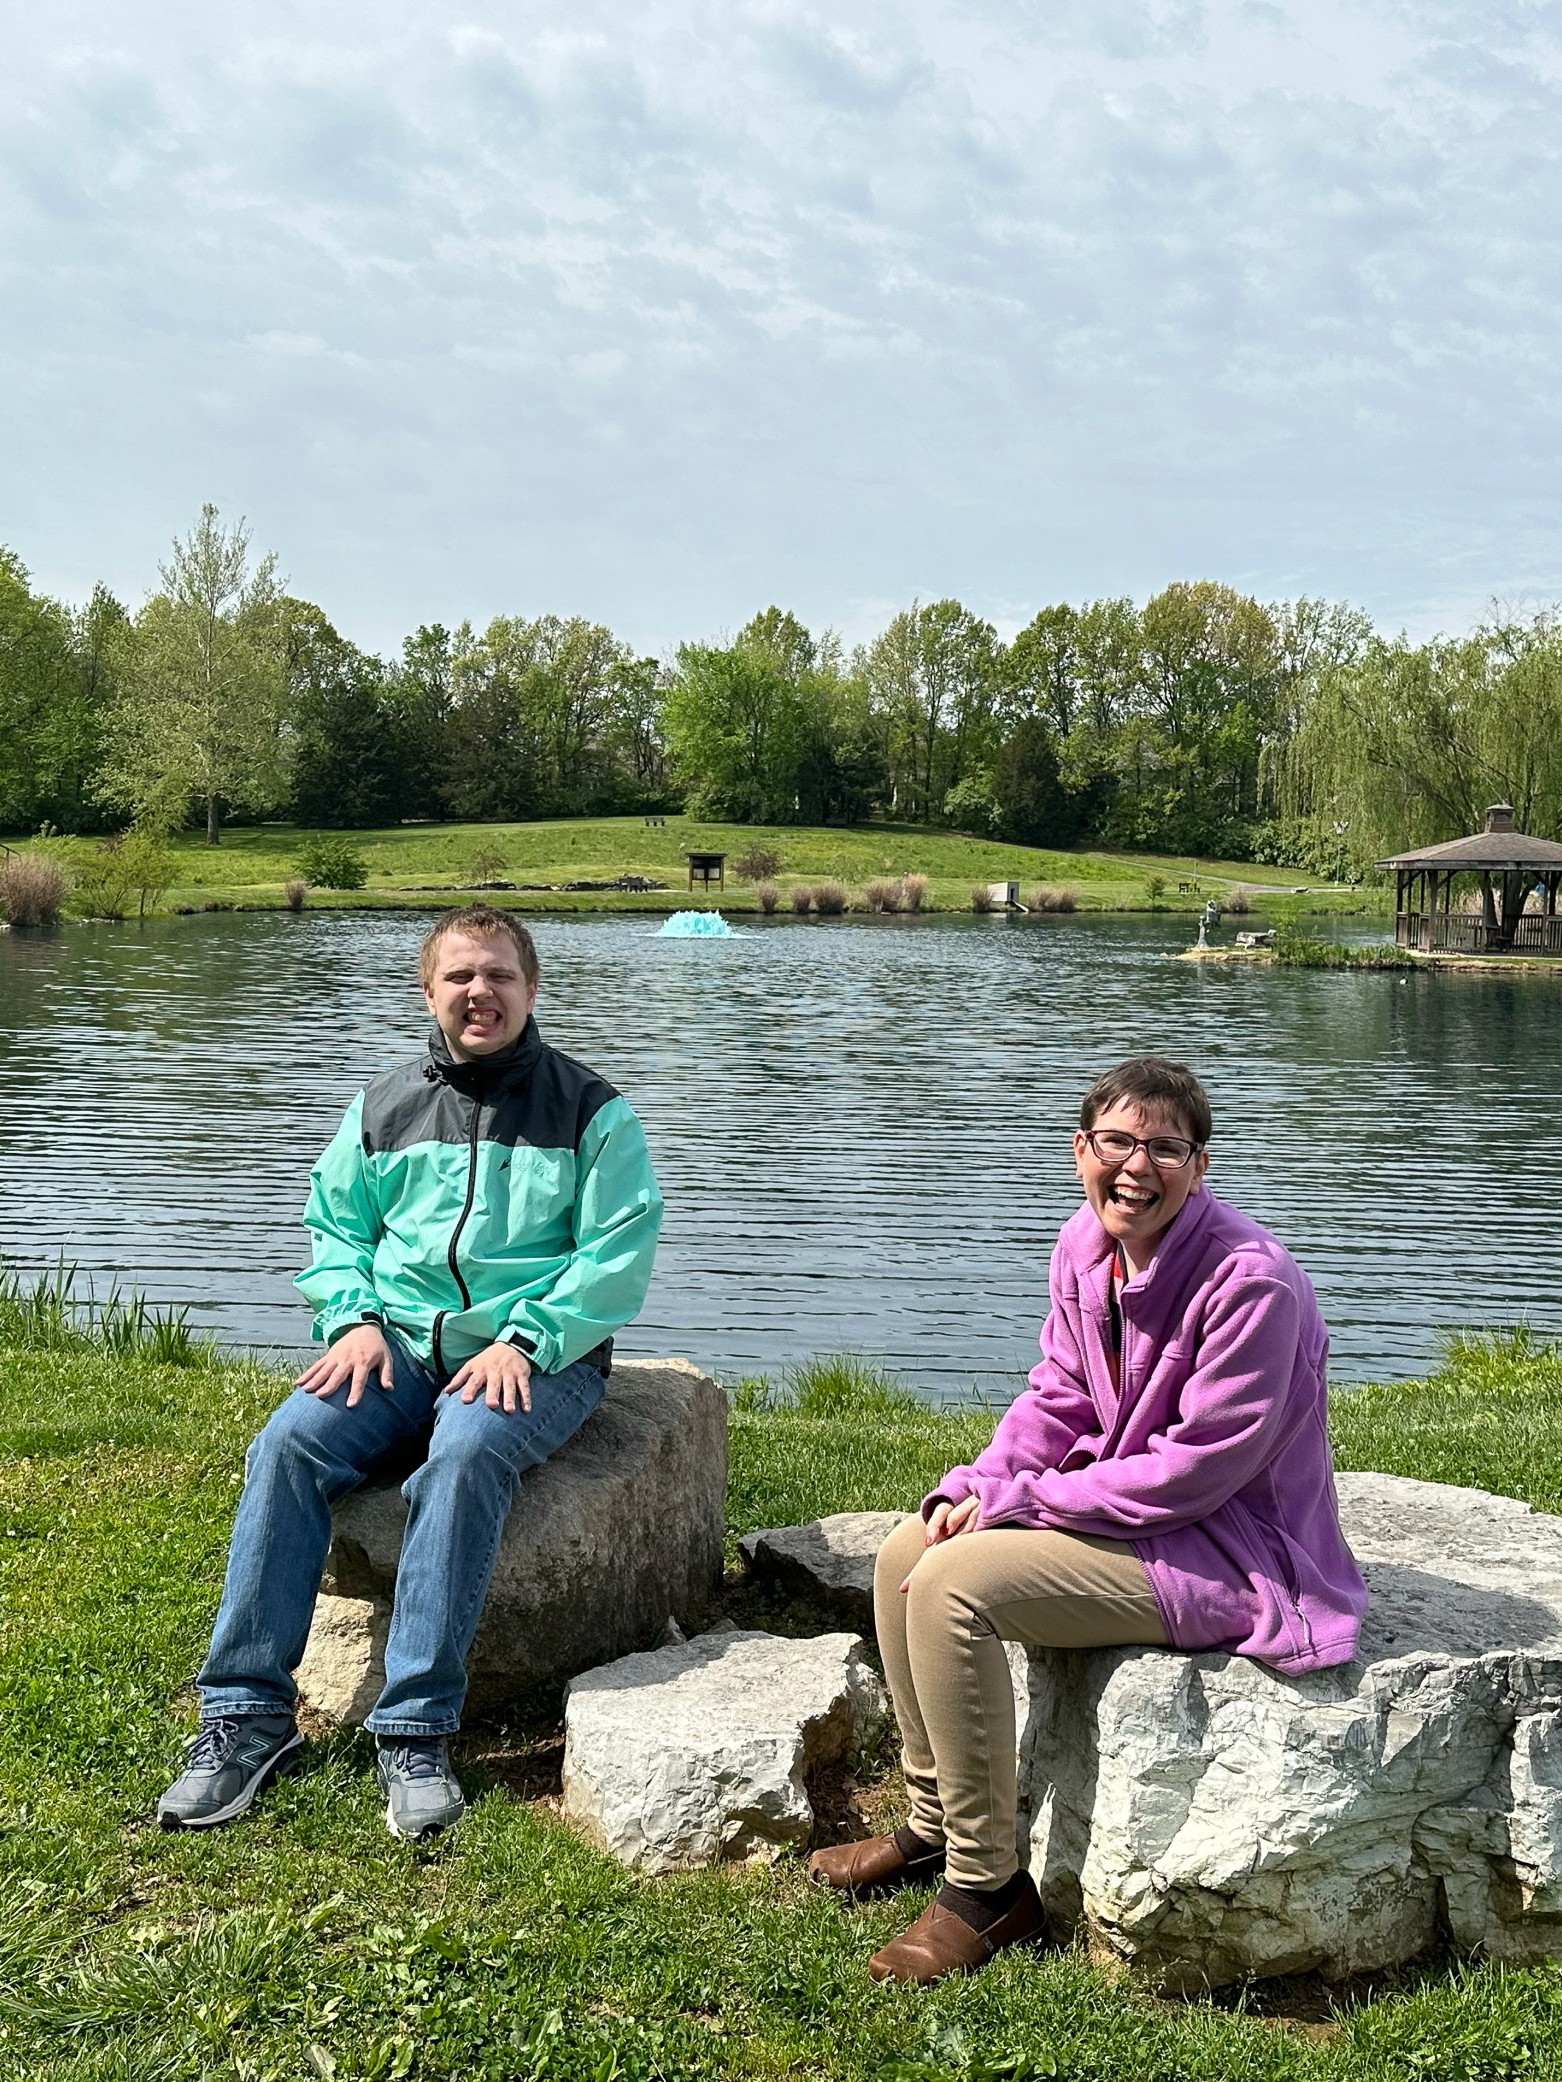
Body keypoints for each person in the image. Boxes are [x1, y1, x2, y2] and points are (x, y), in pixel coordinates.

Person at [809, 1056, 1367, 1984]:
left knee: (953, 1589)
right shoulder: (1083, 1246)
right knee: (910, 1545)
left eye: (1166, 1148)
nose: (1137, 1166)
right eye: (1117, 1141)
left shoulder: (1251, 1285)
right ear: (1081, 1149)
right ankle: (932, 1820)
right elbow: (1059, 1396)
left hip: (1232, 1550)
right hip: (1136, 1517)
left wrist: (1026, 1501)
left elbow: (1195, 1476)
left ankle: (987, 1892)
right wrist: (979, 1483)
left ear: (1201, 1166)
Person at [158, 905, 663, 1840]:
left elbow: (617, 1255)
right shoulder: (383, 1107)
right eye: (461, 978)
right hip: (393, 1344)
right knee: (288, 1445)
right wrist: (349, 1319)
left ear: (532, 988)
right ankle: (245, 1715)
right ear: (430, 993)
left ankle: (415, 1728)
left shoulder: (593, 1112)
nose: (482, 994)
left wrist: (527, 1341)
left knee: (465, 1457)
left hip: (534, 1354)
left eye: (500, 976)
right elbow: (335, 1228)